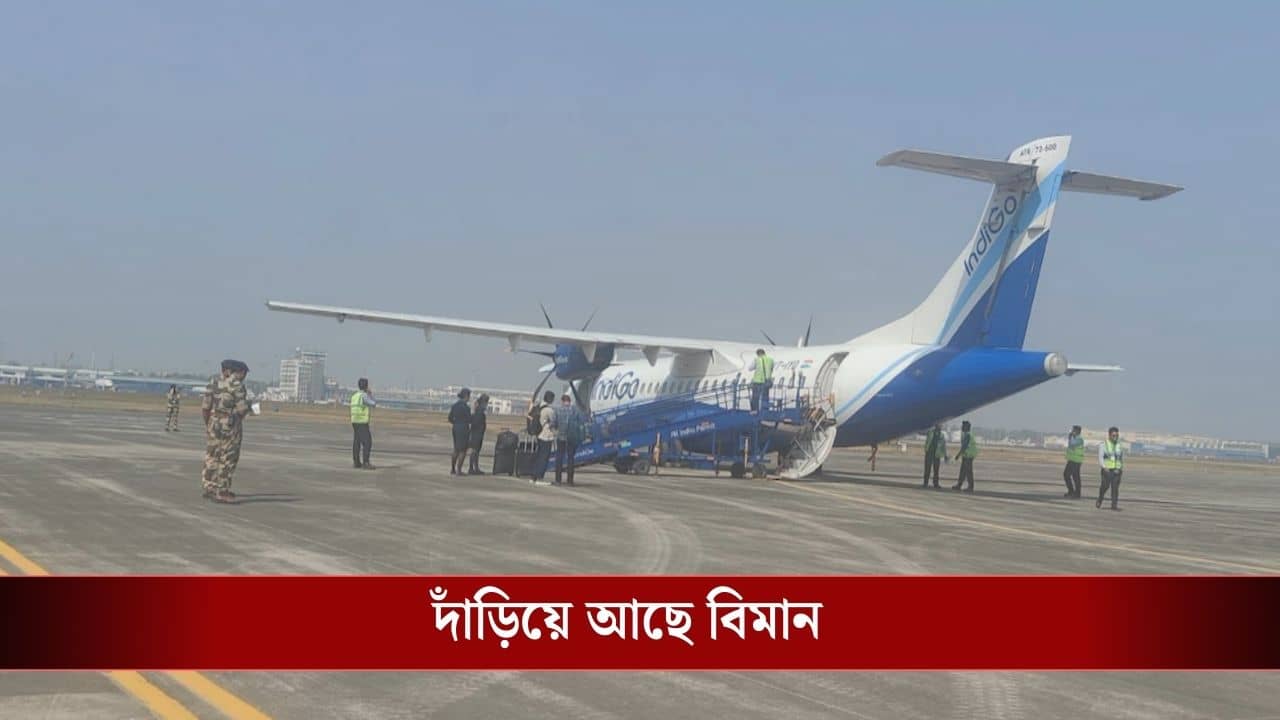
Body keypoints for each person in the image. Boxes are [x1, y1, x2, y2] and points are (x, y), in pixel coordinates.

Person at [201, 360, 253, 503]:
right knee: (228, 458)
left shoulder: (213, 382)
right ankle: (222, 490)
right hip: (230, 424)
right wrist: (249, 411)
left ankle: (209, 487)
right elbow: (242, 410)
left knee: (212, 455)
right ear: (239, 372)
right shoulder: (237, 385)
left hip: (214, 421)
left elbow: (205, 407)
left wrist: (209, 425)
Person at [554, 393, 588, 486]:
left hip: (561, 437)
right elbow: (581, 422)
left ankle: (558, 480)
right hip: (572, 437)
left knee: (559, 458)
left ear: (562, 401)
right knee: (570, 458)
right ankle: (570, 480)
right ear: (569, 401)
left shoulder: (558, 410)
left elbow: (554, 423)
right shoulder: (575, 410)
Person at [531, 390, 557, 482]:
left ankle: (534, 475)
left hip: (538, 434)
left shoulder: (538, 407)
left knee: (539, 455)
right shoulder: (549, 410)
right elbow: (554, 421)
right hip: (546, 435)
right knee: (544, 457)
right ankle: (539, 476)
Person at [350, 378, 376, 469]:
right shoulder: (364, 396)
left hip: (354, 421)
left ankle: (356, 462)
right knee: (367, 442)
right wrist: (370, 394)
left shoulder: (354, 396)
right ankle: (366, 462)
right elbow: (373, 404)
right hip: (362, 422)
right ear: (366, 386)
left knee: (357, 442)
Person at [1097, 426, 1125, 510]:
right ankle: (1100, 498)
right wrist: (1104, 467)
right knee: (1105, 487)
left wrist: (1119, 468)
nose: (1115, 437)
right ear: (1109, 435)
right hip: (1107, 470)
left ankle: (1114, 505)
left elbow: (1120, 458)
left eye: (1117, 435)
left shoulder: (1119, 445)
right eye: (1113, 435)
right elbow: (1100, 457)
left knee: (1115, 488)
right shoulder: (1103, 444)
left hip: (1117, 471)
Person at [448, 388, 472, 475]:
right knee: (463, 450)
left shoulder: (454, 406)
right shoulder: (466, 407)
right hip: (463, 428)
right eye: (469, 396)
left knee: (456, 449)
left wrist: (456, 423)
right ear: (466, 396)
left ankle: (453, 469)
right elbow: (470, 419)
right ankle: (459, 470)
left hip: (455, 427)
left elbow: (450, 418)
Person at [952, 420, 977, 492]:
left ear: (966, 427)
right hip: (967, 455)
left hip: (968, 455)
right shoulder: (967, 434)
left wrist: (958, 455)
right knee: (963, 471)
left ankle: (970, 487)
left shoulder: (968, 435)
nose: (961, 427)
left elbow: (964, 447)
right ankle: (959, 485)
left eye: (963, 426)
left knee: (968, 471)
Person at [467, 394, 489, 475]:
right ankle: (472, 468)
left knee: (476, 451)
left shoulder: (478, 410)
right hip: (477, 433)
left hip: (477, 433)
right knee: (475, 451)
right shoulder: (479, 411)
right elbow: (476, 423)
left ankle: (475, 468)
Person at [748, 348, 775, 413]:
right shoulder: (771, 360)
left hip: (758, 381)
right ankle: (765, 410)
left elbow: (750, 368)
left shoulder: (757, 360)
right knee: (765, 397)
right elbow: (771, 368)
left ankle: (755, 410)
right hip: (767, 381)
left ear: (758, 354)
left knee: (755, 397)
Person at [1063, 425, 1085, 498]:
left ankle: (1076, 493)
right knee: (1069, 475)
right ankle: (1072, 492)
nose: (1072, 432)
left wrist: (1070, 437)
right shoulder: (1075, 438)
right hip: (1072, 460)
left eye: (1073, 431)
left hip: (1076, 461)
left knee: (1073, 476)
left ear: (1077, 432)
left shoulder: (1079, 439)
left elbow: (1072, 444)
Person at [922, 424, 946, 488]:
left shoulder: (942, 435)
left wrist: (945, 455)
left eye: (941, 426)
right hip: (929, 453)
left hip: (937, 454)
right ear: (936, 426)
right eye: (939, 426)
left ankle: (936, 483)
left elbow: (943, 446)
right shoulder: (930, 432)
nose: (940, 427)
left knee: (936, 470)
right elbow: (923, 433)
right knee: (927, 469)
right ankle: (925, 483)